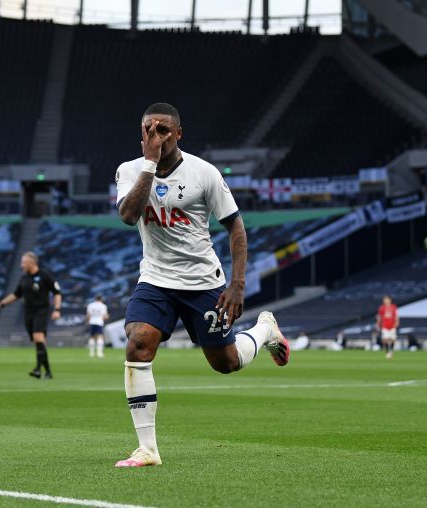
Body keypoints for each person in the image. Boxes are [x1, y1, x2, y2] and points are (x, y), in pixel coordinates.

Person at [113, 103, 289, 468]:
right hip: (156, 279)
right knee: (137, 344)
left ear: (179, 133)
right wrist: (149, 163)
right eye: (148, 130)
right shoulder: (129, 170)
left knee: (225, 363)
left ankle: (265, 329)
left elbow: (235, 227)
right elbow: (129, 216)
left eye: (163, 130)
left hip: (202, 282)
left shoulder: (204, 173)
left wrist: (237, 284)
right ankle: (147, 449)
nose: (155, 137)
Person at [0, 252, 62, 379]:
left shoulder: (44, 276)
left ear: (32, 263)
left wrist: (57, 309)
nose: (21, 265)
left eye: (23, 262)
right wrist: (0, 304)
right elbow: (16, 295)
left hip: (41, 311)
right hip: (28, 313)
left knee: (38, 337)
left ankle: (38, 369)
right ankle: (47, 371)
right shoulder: (24, 279)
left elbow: (57, 292)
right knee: (38, 341)